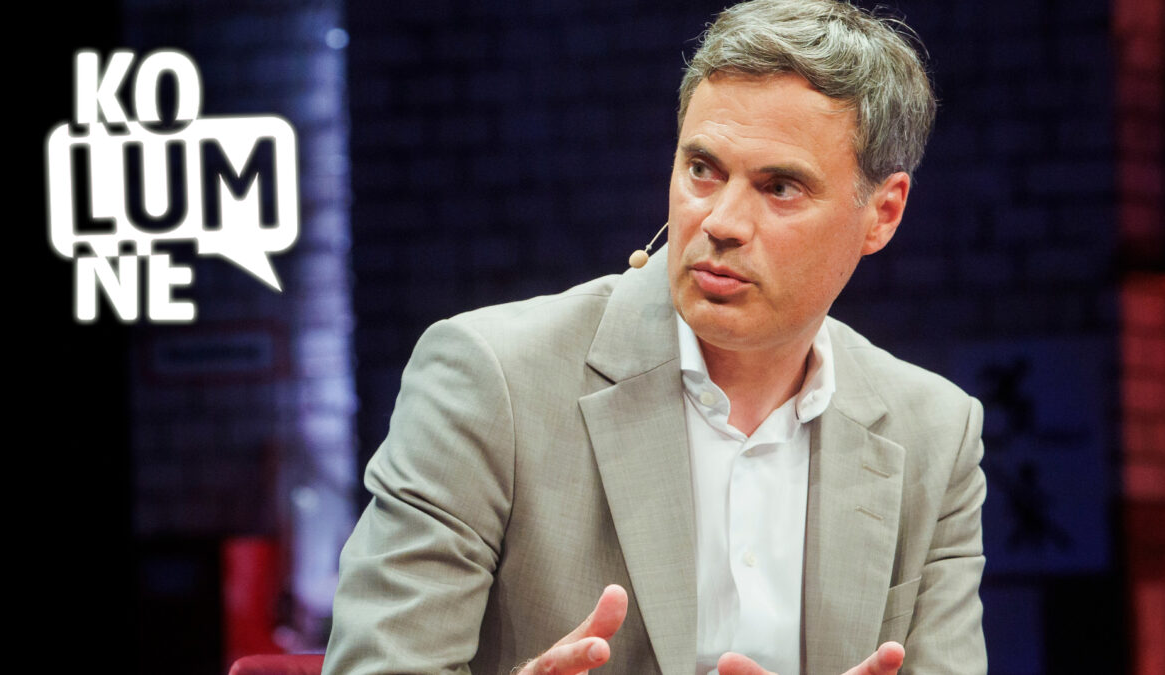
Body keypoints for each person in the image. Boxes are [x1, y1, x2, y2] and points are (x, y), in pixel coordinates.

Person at [323, 1, 986, 673]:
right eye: (703, 169)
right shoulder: (491, 379)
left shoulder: (935, 435)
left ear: (883, 213)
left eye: (780, 187)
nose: (721, 221)